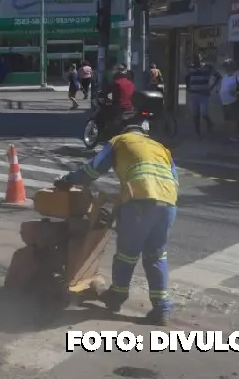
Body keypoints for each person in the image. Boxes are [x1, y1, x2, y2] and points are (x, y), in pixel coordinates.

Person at [53, 116, 178, 326]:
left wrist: (67, 181)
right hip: (169, 203)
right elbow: (173, 178)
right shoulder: (160, 148)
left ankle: (116, 297)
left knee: (127, 254)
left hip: (140, 201)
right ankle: (162, 308)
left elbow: (93, 170)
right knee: (156, 255)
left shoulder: (120, 141)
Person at [185, 55, 220, 138]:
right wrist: (187, 87)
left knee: (204, 113)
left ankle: (210, 124)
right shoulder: (190, 68)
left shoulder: (208, 67)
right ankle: (198, 134)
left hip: (204, 94)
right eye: (194, 59)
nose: (195, 61)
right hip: (194, 94)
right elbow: (186, 78)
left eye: (197, 59)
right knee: (195, 114)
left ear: (201, 59)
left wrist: (211, 88)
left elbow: (218, 76)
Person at [96, 65, 136, 131]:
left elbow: (105, 92)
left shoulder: (116, 83)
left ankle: (104, 131)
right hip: (131, 107)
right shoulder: (130, 83)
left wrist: (101, 95)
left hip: (119, 107)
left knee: (102, 116)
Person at [218, 58, 239, 142]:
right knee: (227, 119)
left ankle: (234, 135)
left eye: (227, 66)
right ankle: (229, 136)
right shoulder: (225, 75)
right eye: (225, 66)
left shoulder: (238, 74)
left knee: (233, 119)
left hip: (233, 100)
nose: (225, 68)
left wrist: (237, 93)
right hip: (224, 101)